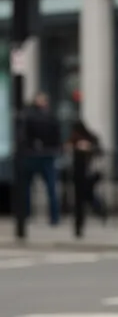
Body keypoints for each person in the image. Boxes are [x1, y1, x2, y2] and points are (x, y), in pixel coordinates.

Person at [23, 92, 62, 225]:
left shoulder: (35, 116)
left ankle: (51, 216)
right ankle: (50, 217)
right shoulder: (46, 116)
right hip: (40, 155)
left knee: (47, 187)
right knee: (43, 187)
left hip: (41, 155)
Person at [65, 119, 107, 220]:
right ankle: (89, 211)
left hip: (90, 170)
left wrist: (89, 147)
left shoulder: (90, 138)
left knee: (87, 192)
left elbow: (99, 151)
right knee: (84, 193)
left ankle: (97, 209)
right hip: (78, 171)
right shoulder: (73, 139)